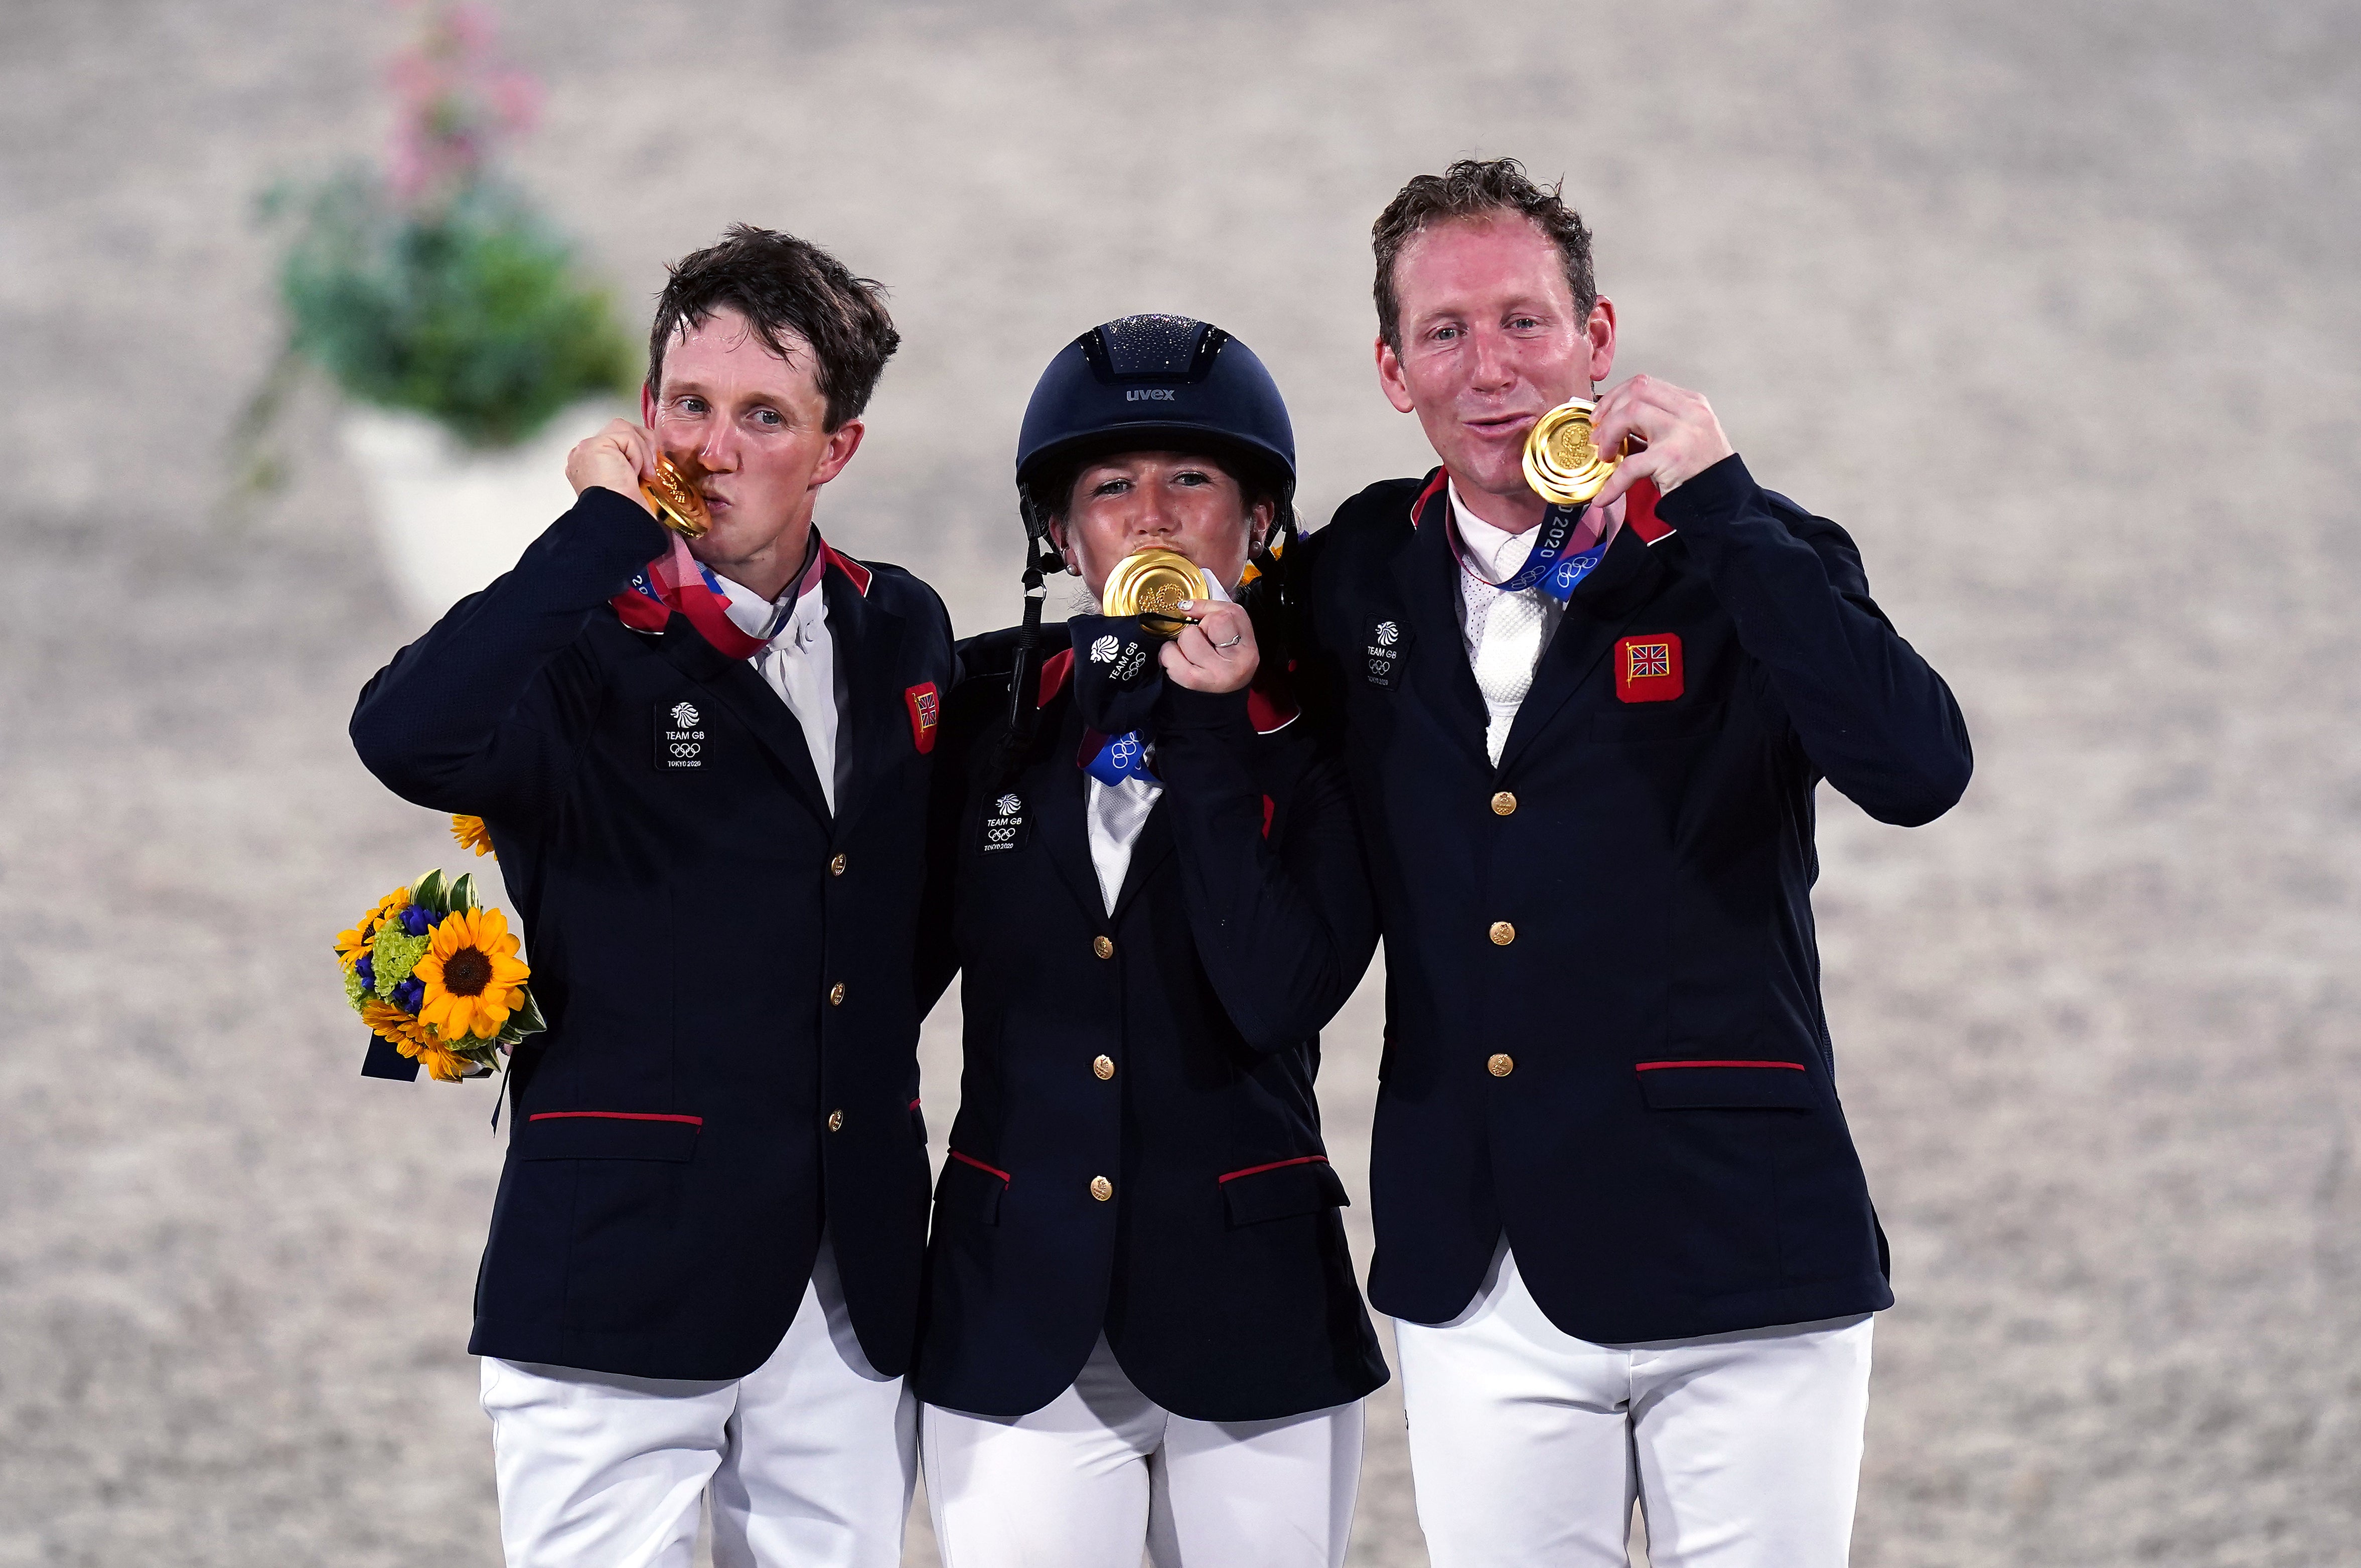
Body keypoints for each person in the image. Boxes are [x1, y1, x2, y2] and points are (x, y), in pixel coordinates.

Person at [1289, 160, 1975, 1565]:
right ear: (1389, 368)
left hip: (1741, 1252)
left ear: (1599, 342)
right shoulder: (1356, 569)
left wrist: (1723, 508)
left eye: (1525, 322)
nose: (1489, 368)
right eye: (1445, 331)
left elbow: (1920, 769)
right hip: (1478, 1271)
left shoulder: (1743, 557)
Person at [348, 224, 954, 1568]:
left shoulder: (900, 627)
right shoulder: (566, 640)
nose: (713, 448)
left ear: (836, 449)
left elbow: (898, 915)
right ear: (641, 414)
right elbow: (403, 736)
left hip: (846, 1289)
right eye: (688, 404)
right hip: (613, 1276)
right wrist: (599, 528)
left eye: (763, 415)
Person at [910, 314, 1389, 1568]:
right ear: (1062, 538)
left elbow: (1277, 990)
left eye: (1193, 480)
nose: (1154, 516)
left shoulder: (1337, 738)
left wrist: (1219, 730)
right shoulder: (977, 713)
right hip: (1016, 1310)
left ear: (1261, 522)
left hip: (1255, 1309)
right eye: (1111, 488)